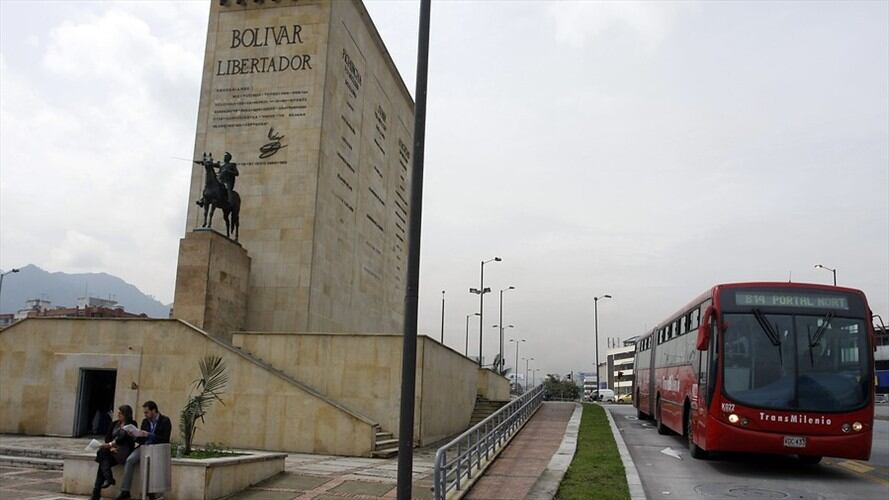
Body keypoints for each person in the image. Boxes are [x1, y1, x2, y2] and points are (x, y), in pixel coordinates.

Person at [116, 401, 172, 500]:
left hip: (157, 448)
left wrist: (149, 435)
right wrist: (134, 436)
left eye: (147, 412)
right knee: (130, 460)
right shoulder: (145, 421)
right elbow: (141, 439)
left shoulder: (165, 421)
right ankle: (125, 490)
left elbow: (165, 439)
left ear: (154, 410)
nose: (145, 415)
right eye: (144, 413)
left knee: (151, 465)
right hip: (144, 447)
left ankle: (152, 494)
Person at [91, 405, 137, 500]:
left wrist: (111, 445)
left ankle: (98, 491)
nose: (118, 415)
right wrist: (111, 448)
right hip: (112, 451)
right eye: (118, 413)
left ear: (126, 414)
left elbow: (124, 438)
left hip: (123, 451)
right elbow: (107, 438)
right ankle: (107, 479)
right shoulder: (114, 423)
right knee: (103, 458)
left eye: (120, 413)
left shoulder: (132, 424)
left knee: (101, 456)